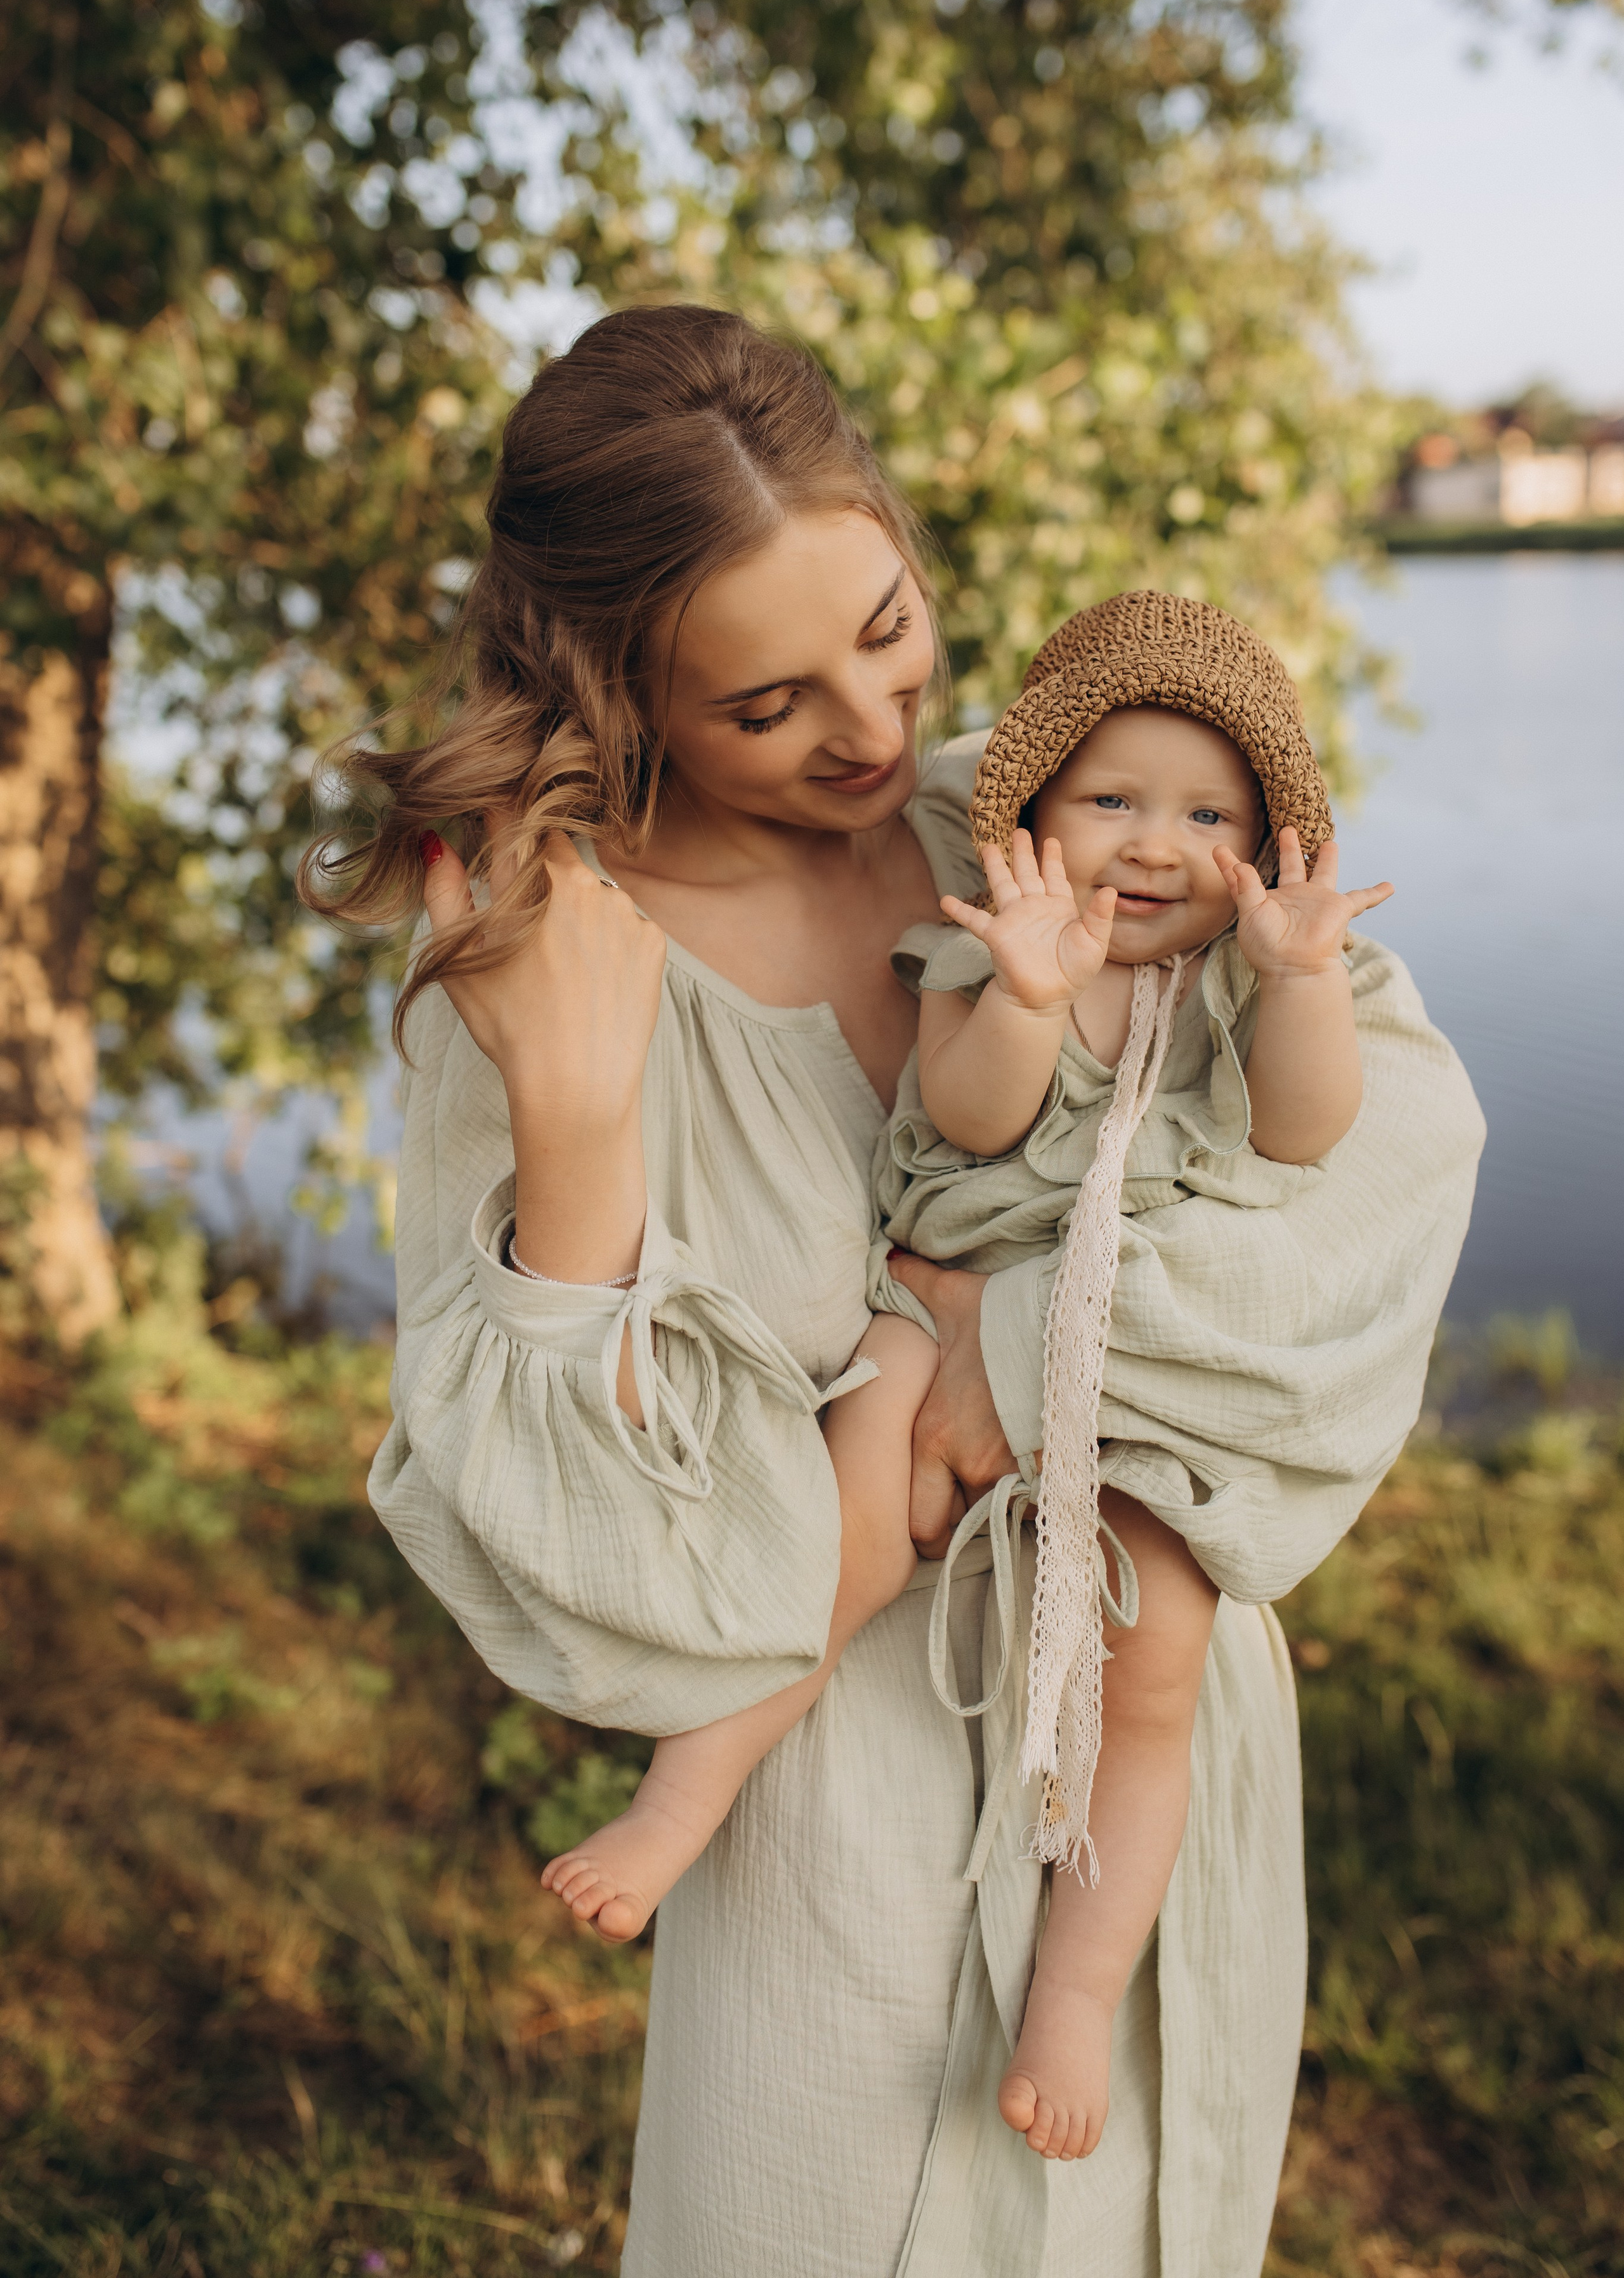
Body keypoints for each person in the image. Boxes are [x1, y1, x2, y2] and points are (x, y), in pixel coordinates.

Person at [301, 303, 1484, 2277]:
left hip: (1146, 1725)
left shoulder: (1040, 820)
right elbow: (585, 1566)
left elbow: (1376, 1184)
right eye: (768, 704)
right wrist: (582, 1133)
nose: (870, 728)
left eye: (890, 627)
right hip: (825, 1806)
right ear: (623, 688)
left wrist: (1015, 1353)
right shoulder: (551, 964)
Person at [539, 590, 1396, 2168]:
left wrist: (1301, 982)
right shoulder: (980, 952)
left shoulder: (1239, 981)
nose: (1152, 845)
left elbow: (1304, 1133)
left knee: (1153, 1681)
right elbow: (978, 1123)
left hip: (1137, 1379)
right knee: (841, 1523)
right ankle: (680, 1804)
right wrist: (1026, 988)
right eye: (1110, 803)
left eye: (1205, 815)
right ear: (1028, 817)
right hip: (932, 1314)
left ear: (1265, 844)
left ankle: (1074, 1993)